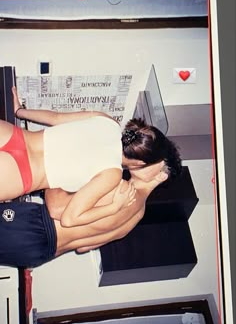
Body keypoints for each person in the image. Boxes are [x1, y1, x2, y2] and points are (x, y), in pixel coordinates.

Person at [0, 86, 181, 227]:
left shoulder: (108, 121)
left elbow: (55, 117)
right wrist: (114, 207)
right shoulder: (112, 174)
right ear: (140, 162)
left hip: (15, 136)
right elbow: (70, 219)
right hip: (20, 174)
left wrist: (19, 111)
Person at [0, 162, 169, 269]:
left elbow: (56, 208)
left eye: (155, 159)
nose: (146, 157)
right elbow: (82, 248)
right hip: (41, 253)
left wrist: (55, 169)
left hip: (34, 227)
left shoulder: (121, 188)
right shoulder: (138, 215)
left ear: (162, 176)